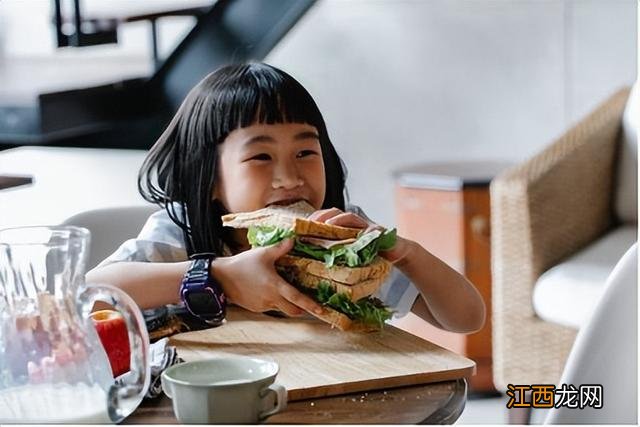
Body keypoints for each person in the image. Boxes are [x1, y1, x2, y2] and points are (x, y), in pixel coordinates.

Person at [87, 62, 485, 333]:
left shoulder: (341, 238)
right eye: (261, 156)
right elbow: (93, 294)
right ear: (209, 177)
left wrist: (405, 252)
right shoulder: (183, 233)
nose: (289, 176)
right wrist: (218, 274)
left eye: (305, 153)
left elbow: (465, 318)